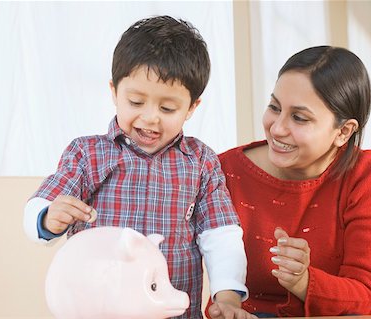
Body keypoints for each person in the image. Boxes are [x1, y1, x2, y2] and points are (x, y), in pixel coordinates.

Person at [23, 15, 257, 319]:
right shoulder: (87, 154)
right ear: (114, 92)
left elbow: (220, 234)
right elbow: (41, 205)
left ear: (192, 108)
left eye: (167, 108)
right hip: (99, 310)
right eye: (135, 102)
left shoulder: (201, 161)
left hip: (173, 311)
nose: (150, 118)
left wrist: (228, 296)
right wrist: (47, 217)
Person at [206, 46, 371, 318]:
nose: (277, 128)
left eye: (299, 117)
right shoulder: (222, 171)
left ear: (343, 131)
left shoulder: (363, 175)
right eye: (274, 107)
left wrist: (304, 282)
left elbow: (366, 295)